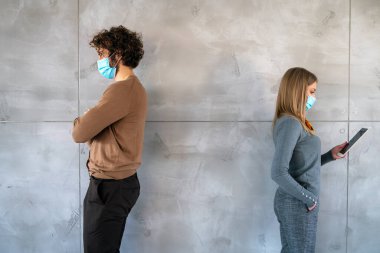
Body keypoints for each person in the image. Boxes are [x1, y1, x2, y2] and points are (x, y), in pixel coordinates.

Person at [72, 25, 147, 253]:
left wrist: (82, 120)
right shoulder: (134, 89)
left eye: (102, 54)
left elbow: (79, 133)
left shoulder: (121, 91)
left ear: (118, 55)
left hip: (109, 187)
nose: (100, 60)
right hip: (119, 184)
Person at [271, 67, 347, 253]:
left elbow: (300, 166)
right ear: (297, 91)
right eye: (312, 92)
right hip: (297, 201)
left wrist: (330, 155)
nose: (314, 97)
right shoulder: (290, 123)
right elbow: (278, 172)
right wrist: (309, 199)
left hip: (297, 201)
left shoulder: (296, 122)